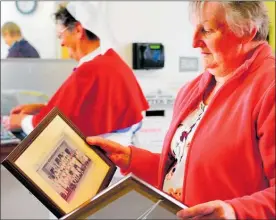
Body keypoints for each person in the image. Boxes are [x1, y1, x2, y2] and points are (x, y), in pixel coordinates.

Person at [86, 1, 275, 219]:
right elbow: (187, 167)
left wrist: (234, 211)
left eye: (207, 30)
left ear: (247, 32)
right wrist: (130, 158)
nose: (194, 42)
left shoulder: (269, 88)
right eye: (194, 29)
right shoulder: (194, 88)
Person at [4, 2, 149, 147]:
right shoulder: (111, 60)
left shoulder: (91, 70)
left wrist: (21, 121)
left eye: (60, 35)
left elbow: (50, 127)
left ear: (78, 30)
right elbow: (83, 111)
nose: (61, 43)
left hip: (103, 156)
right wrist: (43, 108)